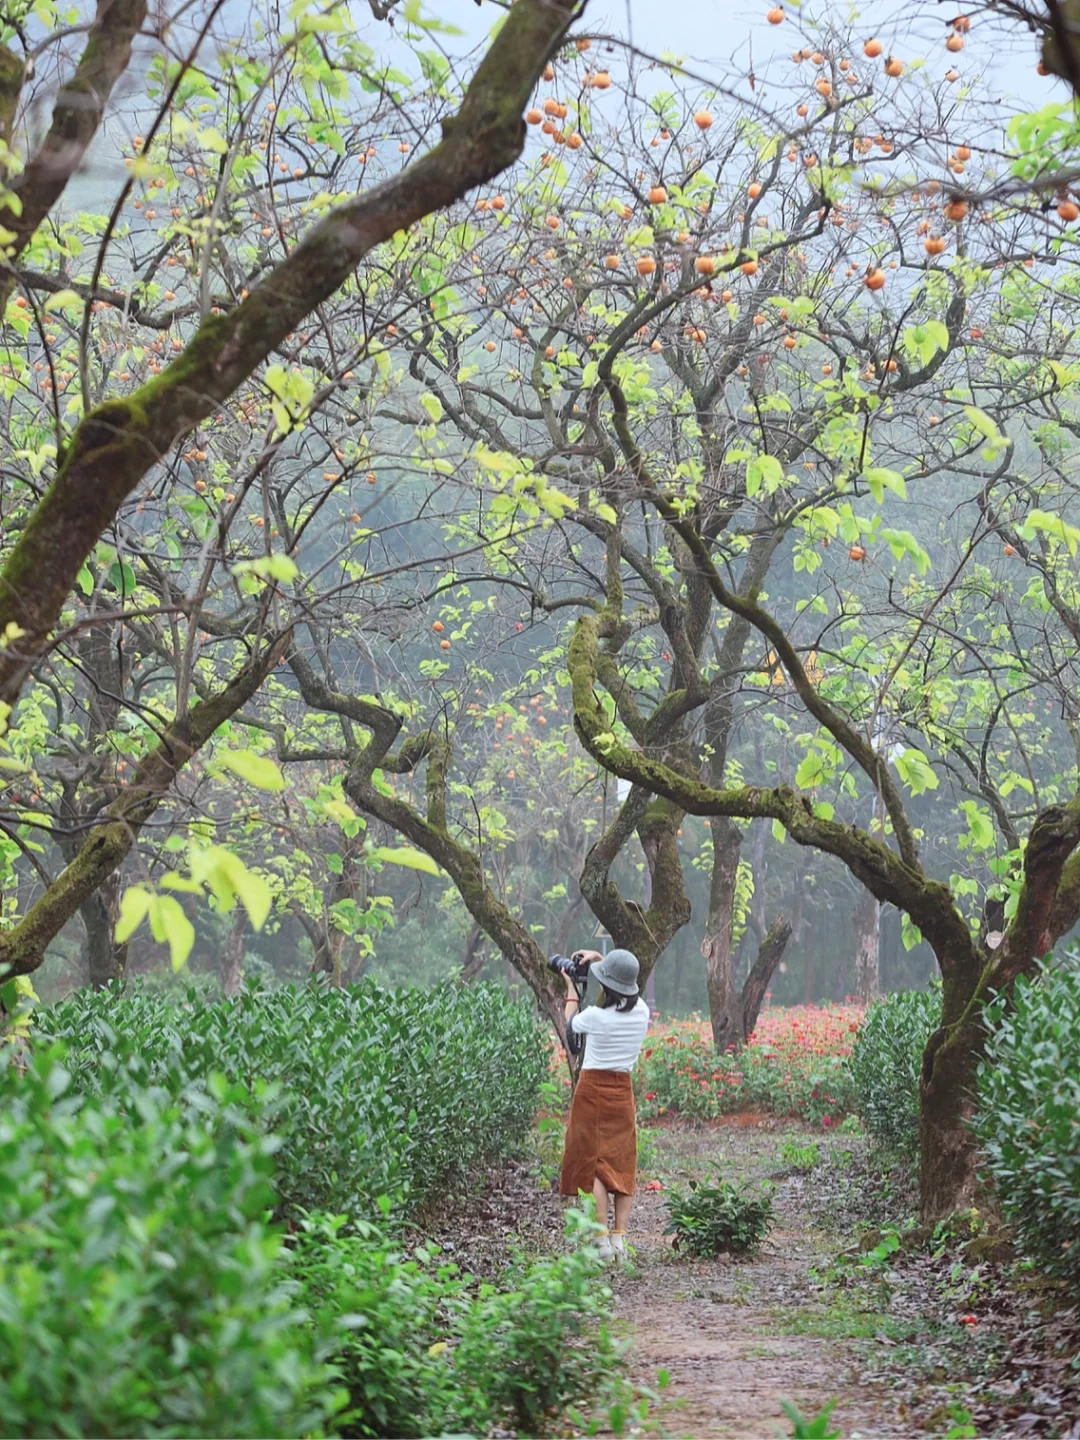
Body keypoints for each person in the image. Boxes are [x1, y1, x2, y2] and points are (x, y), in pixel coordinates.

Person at [560, 947, 650, 1260]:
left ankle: (600, 1242)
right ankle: (619, 1241)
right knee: (622, 1163)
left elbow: (570, 1028)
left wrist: (571, 988)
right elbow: (620, 984)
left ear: (606, 986)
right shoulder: (642, 1012)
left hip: (592, 1091)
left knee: (593, 1165)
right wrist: (601, 960)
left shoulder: (594, 1017)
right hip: (622, 1092)